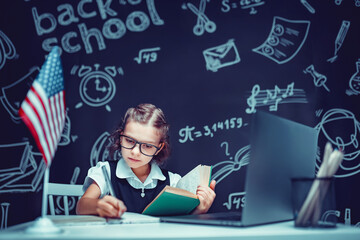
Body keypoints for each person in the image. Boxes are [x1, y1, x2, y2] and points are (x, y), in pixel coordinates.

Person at [76, 103, 216, 218]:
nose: (135, 152)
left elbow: (178, 225)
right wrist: (99, 206)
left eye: (147, 146)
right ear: (120, 136)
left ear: (159, 148)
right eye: (129, 141)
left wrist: (198, 211)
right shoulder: (105, 172)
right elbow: (81, 206)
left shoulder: (173, 182)